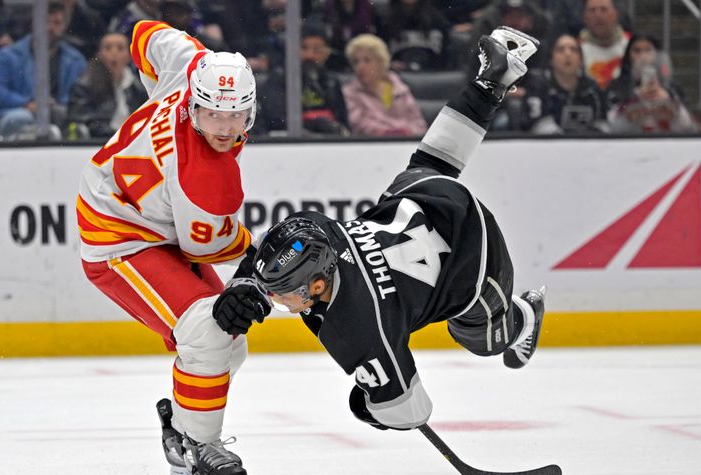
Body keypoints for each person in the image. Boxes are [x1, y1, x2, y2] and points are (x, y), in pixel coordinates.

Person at [213, 26, 548, 434]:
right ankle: (491, 81)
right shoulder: (320, 236)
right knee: (433, 163)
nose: (276, 301)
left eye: (284, 295)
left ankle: (524, 315)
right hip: (431, 198)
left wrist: (373, 405)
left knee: (483, 339)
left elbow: (413, 413)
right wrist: (247, 285)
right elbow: (280, 240)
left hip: (473, 254)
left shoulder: (359, 332)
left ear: (316, 287)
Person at [77, 20, 264, 475]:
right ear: (193, 104)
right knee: (209, 329)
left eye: (235, 115)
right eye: (211, 115)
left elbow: (144, 33)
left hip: (148, 215)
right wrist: (258, 257)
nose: (224, 129)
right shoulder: (206, 179)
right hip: (117, 234)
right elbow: (210, 247)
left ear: (250, 109)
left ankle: (181, 428)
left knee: (231, 344)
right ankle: (200, 445)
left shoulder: (191, 64)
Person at [0, 1, 86, 140]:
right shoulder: (7, 56)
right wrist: (27, 104)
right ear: (35, 23)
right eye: (46, 21)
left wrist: (55, 107)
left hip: (57, 117)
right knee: (21, 118)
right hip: (12, 117)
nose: (50, 28)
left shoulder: (76, 60)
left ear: (65, 26)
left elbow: (78, 97)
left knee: (76, 124)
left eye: (56, 22)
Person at [258, 24, 349, 135]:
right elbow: (276, 121)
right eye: (304, 48)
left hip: (329, 145)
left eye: (317, 49)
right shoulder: (279, 79)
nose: (310, 55)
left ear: (327, 52)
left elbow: (343, 123)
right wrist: (315, 123)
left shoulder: (332, 82)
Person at [513, 32, 607, 133]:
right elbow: (535, 124)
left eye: (574, 50)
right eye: (560, 50)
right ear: (551, 59)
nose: (568, 54)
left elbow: (602, 122)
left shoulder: (591, 88)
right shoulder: (539, 87)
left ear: (581, 60)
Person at [342, 33, 427, 137]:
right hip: (371, 146)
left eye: (367, 60)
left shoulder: (400, 89)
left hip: (405, 144)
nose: (360, 67)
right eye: (356, 62)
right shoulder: (349, 93)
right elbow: (359, 124)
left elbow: (419, 124)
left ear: (381, 62)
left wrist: (405, 131)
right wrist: (390, 132)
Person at [67, 32, 148, 138]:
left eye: (120, 48)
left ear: (129, 56)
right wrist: (116, 136)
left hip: (134, 142)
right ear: (99, 55)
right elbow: (84, 119)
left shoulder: (138, 87)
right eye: (108, 48)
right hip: (101, 142)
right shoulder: (85, 86)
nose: (114, 53)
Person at [578, 0, 630, 90]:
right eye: (592, 10)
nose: (598, 15)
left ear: (615, 14)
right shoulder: (575, 48)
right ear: (585, 17)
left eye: (604, 9)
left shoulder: (631, 45)